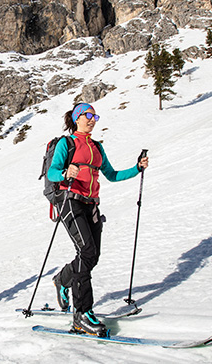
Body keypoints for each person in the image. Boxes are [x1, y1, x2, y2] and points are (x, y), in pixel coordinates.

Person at [48, 102, 148, 337]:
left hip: (91, 204)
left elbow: (112, 175)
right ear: (76, 118)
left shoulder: (96, 147)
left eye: (95, 116)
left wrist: (136, 168)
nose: (92, 119)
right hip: (70, 201)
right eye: (88, 115)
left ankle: (62, 280)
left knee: (92, 256)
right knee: (87, 252)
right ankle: (82, 314)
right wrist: (65, 173)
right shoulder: (67, 143)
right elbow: (53, 172)